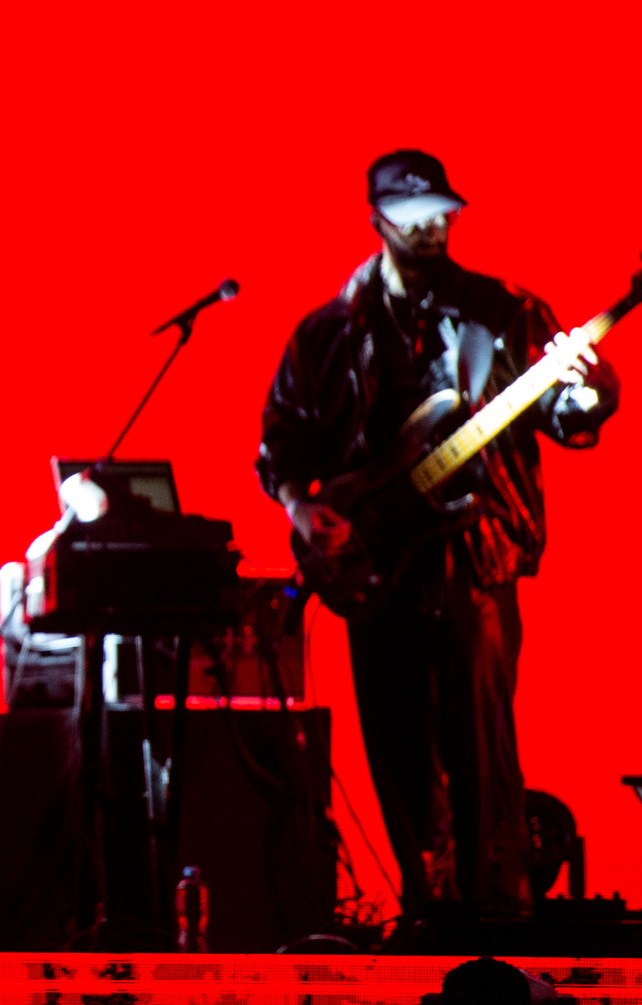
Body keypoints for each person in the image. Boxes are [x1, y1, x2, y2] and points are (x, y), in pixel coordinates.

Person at [258, 151, 617, 920]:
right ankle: (428, 918)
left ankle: (493, 921)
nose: (433, 230)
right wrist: (301, 509)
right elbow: (281, 444)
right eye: (416, 218)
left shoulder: (505, 312)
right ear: (379, 221)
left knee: (481, 751)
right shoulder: (326, 332)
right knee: (398, 755)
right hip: (370, 567)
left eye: (443, 216)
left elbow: (565, 417)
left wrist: (588, 392)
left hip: (473, 556)